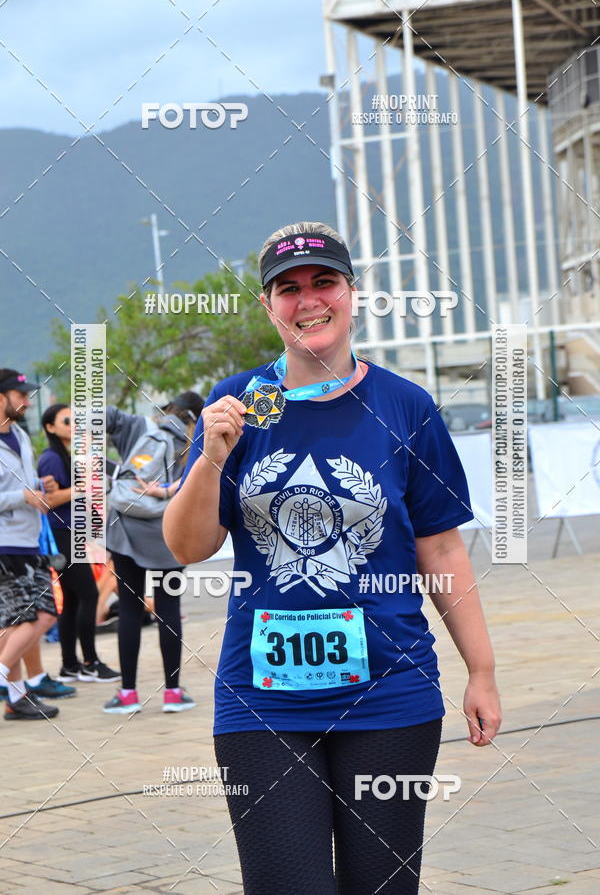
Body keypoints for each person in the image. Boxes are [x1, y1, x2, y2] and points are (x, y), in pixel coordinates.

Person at [164, 222, 502, 894]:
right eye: (288, 289)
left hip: (391, 697)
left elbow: (439, 546)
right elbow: (188, 545)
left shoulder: (406, 406)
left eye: (324, 282)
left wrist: (482, 670)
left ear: (352, 294)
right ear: (267, 305)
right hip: (261, 703)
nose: (308, 300)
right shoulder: (237, 403)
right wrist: (211, 458)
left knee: (382, 886)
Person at [102, 391, 204, 714]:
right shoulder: (200, 441)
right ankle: (173, 693)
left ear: (169, 407)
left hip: (127, 531)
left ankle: (128, 695)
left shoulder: (140, 427)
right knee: (168, 609)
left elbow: (95, 415)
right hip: (170, 535)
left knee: (130, 610)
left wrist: (109, 468)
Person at [0, 369, 74, 720]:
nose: (27, 401)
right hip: (5, 543)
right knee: (43, 613)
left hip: (27, 540)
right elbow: (14, 494)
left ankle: (15, 697)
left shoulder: (20, 436)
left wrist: (39, 489)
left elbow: (27, 486)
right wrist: (22, 496)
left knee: (14, 623)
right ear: (1, 398)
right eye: (20, 395)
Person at [38, 403, 120, 683]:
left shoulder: (67, 456)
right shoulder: (50, 458)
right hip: (61, 535)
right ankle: (90, 663)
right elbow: (48, 501)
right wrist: (82, 487)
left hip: (71, 533)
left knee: (72, 600)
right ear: (50, 427)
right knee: (89, 595)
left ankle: (69, 665)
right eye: (66, 420)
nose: (74, 424)